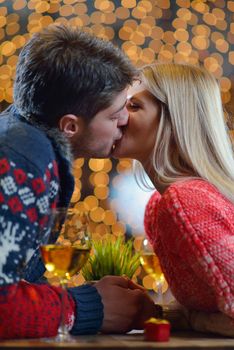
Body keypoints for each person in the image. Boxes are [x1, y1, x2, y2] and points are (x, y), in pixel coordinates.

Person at [0, 24, 157, 339]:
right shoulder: (23, 163)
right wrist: (87, 307)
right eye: (114, 115)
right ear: (70, 125)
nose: (125, 121)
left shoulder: (20, 134)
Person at [112, 63, 234, 336]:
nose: (118, 116)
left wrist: (191, 320)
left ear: (174, 119)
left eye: (134, 106)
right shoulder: (159, 205)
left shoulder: (184, 201)